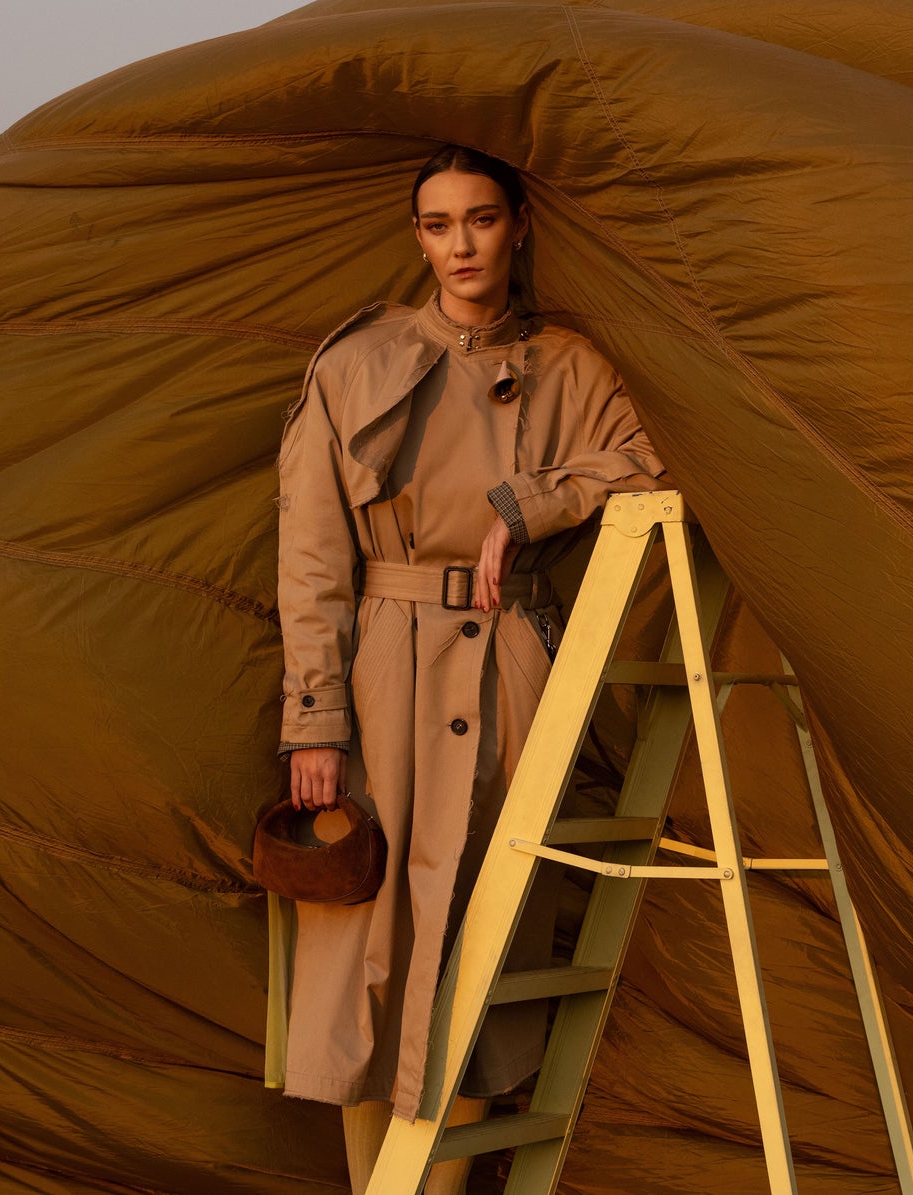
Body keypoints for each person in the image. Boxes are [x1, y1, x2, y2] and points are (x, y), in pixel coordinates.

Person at [273, 143, 669, 1194]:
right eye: (440, 224)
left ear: (518, 226)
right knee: (368, 953)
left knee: (485, 941)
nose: (462, 246)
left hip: (510, 664)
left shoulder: (571, 367)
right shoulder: (355, 364)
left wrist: (527, 506)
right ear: (417, 237)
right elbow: (310, 556)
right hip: (382, 673)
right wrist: (315, 720)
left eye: (482, 220)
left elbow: (649, 456)